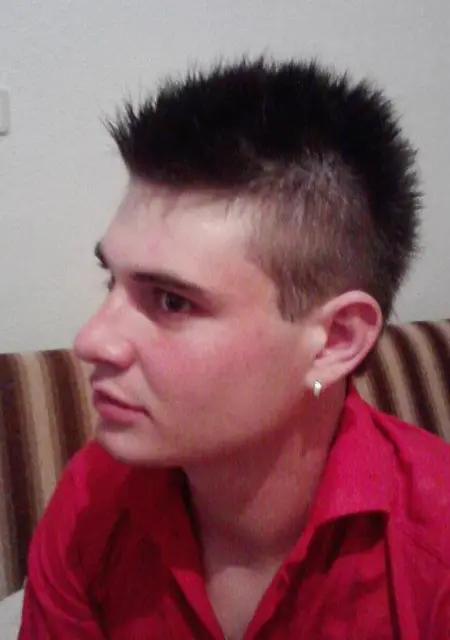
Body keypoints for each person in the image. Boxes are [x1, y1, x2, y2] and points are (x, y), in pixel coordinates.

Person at [19, 58, 449, 639]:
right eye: (110, 281)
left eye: (172, 301)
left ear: (335, 341)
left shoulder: (432, 548)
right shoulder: (91, 501)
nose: (91, 340)